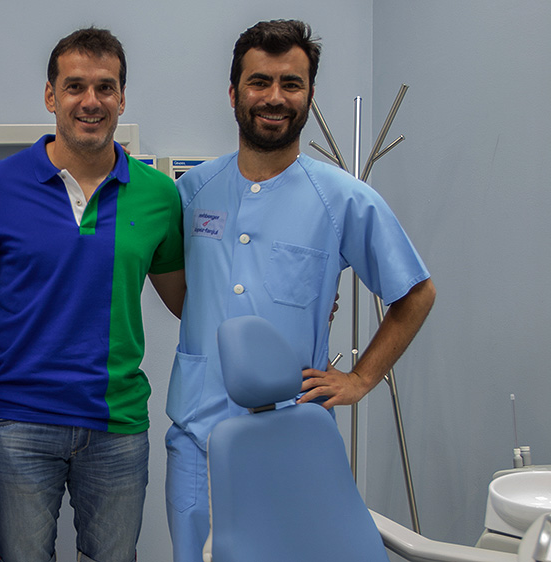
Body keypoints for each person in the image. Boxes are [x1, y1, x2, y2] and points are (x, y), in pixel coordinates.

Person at [165, 20, 436, 562]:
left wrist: (362, 377)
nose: (274, 97)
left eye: (291, 83)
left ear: (309, 94)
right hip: (197, 438)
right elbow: (185, 291)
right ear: (234, 92)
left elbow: (416, 293)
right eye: (259, 81)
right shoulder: (193, 191)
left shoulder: (342, 197)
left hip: (293, 437)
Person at [0, 27, 185, 562]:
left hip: (116, 423)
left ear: (122, 98)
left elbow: (186, 302)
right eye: (75, 86)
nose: (91, 101)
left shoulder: (157, 195)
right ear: (50, 96)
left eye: (105, 88)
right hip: (17, 420)